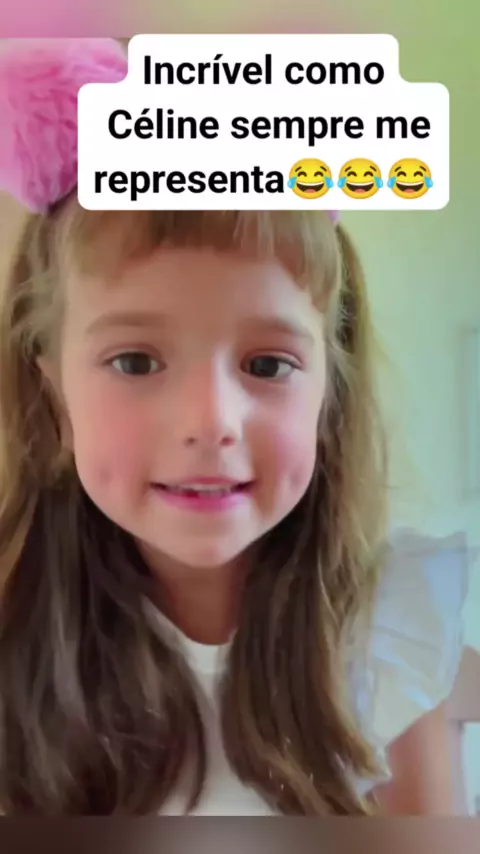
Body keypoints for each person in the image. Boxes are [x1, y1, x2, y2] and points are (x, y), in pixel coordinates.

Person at [0, 38, 470, 816]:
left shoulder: (390, 634)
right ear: (55, 398)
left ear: (328, 392)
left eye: (267, 365)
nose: (211, 421)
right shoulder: (16, 645)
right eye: (136, 361)